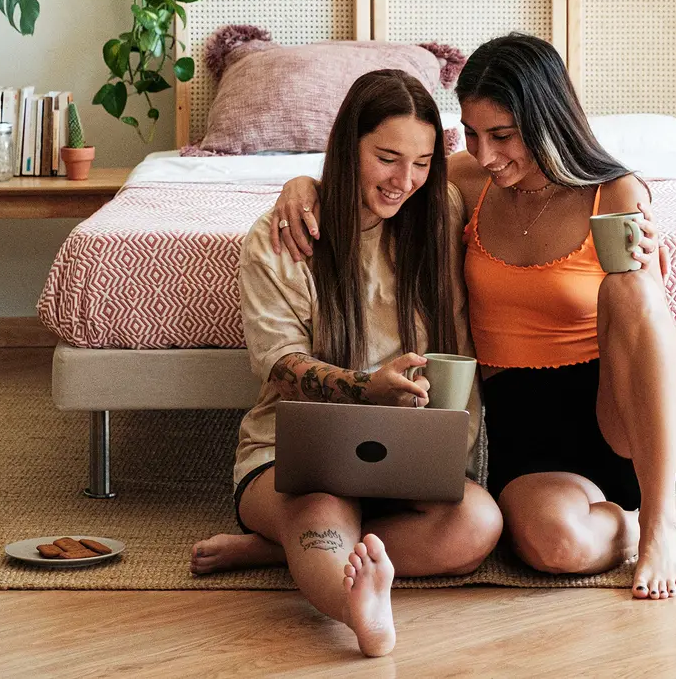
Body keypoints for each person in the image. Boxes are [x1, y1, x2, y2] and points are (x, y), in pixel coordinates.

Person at [269, 34, 676, 603]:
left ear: (546, 118)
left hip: (619, 411)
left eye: (503, 136)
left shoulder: (616, 191)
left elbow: (646, 322)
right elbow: (386, 176)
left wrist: (647, 268)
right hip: (523, 422)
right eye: (473, 135)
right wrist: (303, 185)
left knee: (631, 287)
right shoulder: (467, 180)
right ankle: (672, 518)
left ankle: (659, 521)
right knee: (554, 549)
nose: (486, 154)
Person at [190, 69, 503, 657]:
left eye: (421, 161)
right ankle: (355, 607)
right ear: (346, 145)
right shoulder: (285, 235)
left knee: (479, 524)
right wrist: (365, 389)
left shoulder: (444, 213)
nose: (403, 181)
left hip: (409, 456)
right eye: (386, 157)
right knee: (322, 506)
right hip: (294, 456)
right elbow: (281, 365)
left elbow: (521, 178)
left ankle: (291, 548)